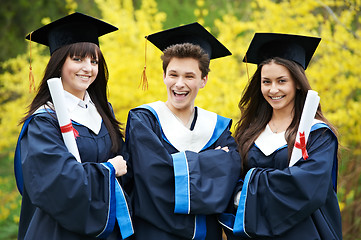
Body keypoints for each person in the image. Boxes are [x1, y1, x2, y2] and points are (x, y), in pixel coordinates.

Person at [14, 12, 133, 240]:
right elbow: (56, 182)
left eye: (94, 61)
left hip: (108, 228)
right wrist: (108, 170)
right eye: (77, 59)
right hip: (59, 231)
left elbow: (125, 161)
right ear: (59, 63)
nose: (87, 68)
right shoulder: (44, 121)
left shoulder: (102, 111)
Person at [123, 23, 241, 240]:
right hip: (155, 234)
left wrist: (178, 166)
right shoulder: (144, 121)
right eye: (173, 74)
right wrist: (213, 162)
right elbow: (153, 178)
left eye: (189, 76)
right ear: (164, 76)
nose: (179, 84)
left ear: (203, 80)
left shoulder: (217, 127)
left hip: (207, 235)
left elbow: (230, 177)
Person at [221, 33, 342, 239]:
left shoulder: (318, 134)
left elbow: (307, 187)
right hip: (254, 233)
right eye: (266, 81)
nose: (273, 89)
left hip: (304, 232)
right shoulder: (249, 132)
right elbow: (231, 177)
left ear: (297, 82)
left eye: (282, 81)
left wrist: (245, 194)